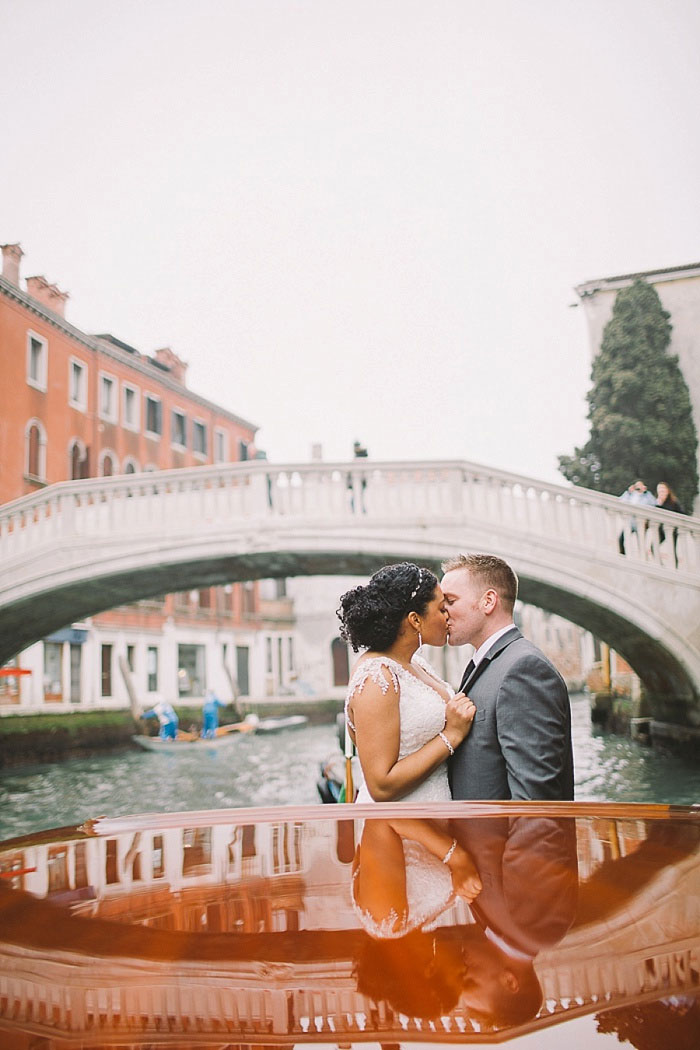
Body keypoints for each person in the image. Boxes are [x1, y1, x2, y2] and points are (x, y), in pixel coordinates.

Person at [337, 562, 476, 802]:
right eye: (442, 608)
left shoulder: (416, 664)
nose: (448, 616)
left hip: (437, 814)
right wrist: (451, 735)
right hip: (400, 827)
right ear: (415, 620)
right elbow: (381, 786)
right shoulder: (376, 677)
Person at [441, 553, 574, 801]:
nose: (442, 612)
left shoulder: (524, 669)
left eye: (450, 601)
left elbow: (535, 799)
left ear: (488, 601)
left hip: (497, 841)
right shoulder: (496, 662)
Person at [618, 479, 656, 556]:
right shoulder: (631, 494)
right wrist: (628, 492)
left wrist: (646, 492)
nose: (638, 487)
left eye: (640, 485)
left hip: (641, 523)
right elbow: (621, 501)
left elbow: (653, 504)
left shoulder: (647, 495)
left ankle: (643, 558)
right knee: (621, 539)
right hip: (630, 522)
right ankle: (623, 555)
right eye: (637, 485)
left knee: (641, 543)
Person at [656, 481, 685, 567]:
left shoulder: (673, 502)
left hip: (672, 531)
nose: (661, 493)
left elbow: (682, 513)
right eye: (659, 491)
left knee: (672, 550)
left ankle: (674, 568)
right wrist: (658, 504)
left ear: (667, 491)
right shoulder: (657, 502)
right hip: (661, 530)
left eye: (663, 490)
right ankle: (661, 566)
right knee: (654, 546)